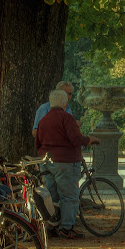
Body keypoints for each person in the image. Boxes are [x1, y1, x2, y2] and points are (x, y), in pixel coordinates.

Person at [35, 89, 101, 239]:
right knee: (70, 196)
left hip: (47, 161)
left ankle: (52, 225)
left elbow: (38, 142)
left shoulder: (43, 120)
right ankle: (67, 227)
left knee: (52, 196)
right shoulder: (67, 118)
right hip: (66, 161)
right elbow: (75, 139)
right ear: (65, 103)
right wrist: (88, 140)